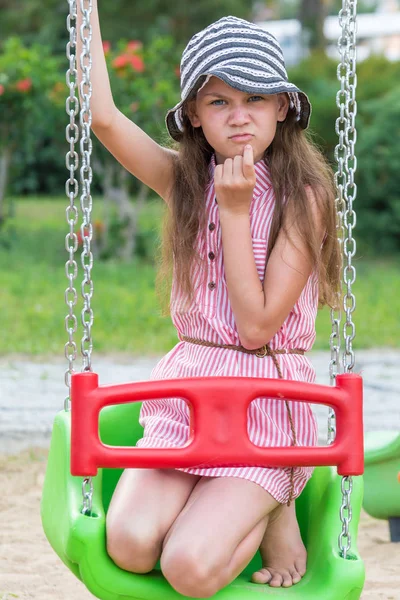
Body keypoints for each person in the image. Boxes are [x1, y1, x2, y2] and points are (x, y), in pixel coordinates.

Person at [82, 8, 341, 597]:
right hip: (190, 392)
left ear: (282, 107)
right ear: (195, 116)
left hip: (266, 403)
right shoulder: (185, 182)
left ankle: (274, 510)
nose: (240, 116)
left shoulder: (305, 198)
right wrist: (85, 13)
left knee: (188, 569)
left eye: (255, 98)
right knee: (129, 544)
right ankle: (232, 504)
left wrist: (235, 211)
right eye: (219, 102)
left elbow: (254, 328)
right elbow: (103, 119)